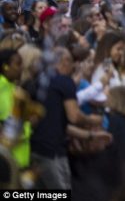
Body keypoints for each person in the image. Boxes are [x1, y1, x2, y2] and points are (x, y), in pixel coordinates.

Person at [31, 48, 109, 189]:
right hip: (51, 152)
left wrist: (91, 135)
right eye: (72, 62)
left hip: (37, 149)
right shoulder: (64, 81)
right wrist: (93, 120)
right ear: (64, 61)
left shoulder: (41, 81)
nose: (73, 66)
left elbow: (60, 124)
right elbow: (74, 116)